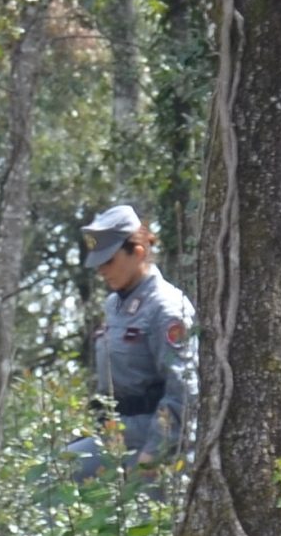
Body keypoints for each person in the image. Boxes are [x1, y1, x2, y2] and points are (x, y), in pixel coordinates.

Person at [65, 205, 196, 480]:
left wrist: (154, 453)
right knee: (57, 472)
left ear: (137, 253)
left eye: (109, 261)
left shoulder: (167, 308)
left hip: (155, 444)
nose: (101, 269)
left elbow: (184, 390)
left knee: (147, 522)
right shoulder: (114, 304)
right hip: (117, 434)